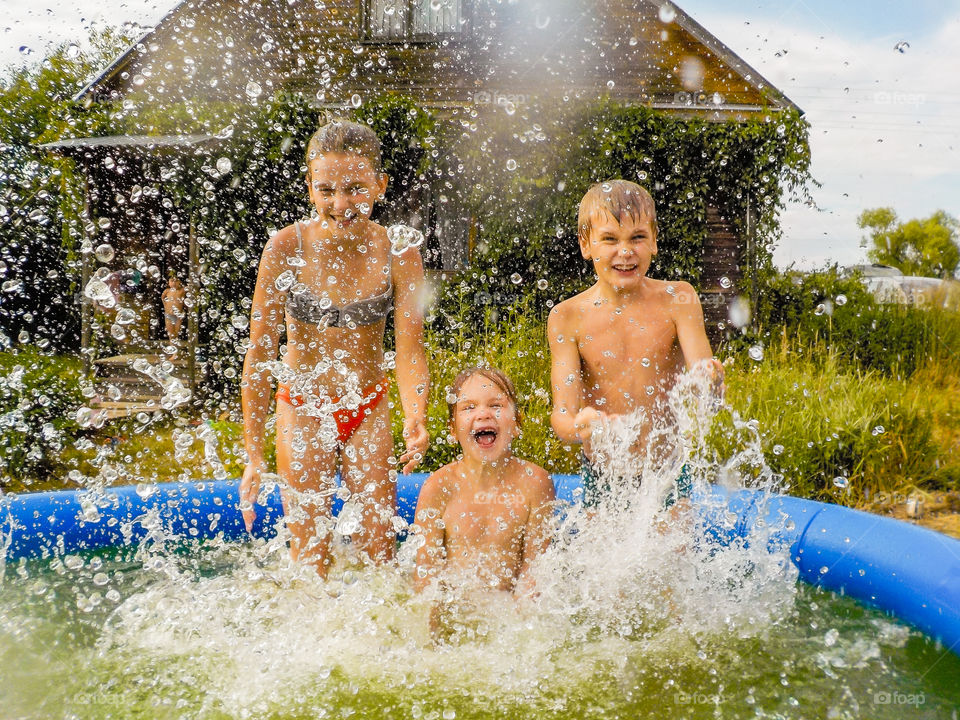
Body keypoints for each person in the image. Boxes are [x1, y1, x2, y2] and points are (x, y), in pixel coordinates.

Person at [240, 118, 430, 577]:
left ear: (380, 185)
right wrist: (253, 453)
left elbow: (410, 349)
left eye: (355, 189)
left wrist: (416, 414)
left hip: (368, 405)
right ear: (309, 187)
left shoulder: (398, 252)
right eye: (326, 190)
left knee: (380, 558)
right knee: (310, 561)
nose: (340, 204)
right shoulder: (286, 247)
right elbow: (260, 352)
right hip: (302, 407)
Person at [548, 180, 724, 509]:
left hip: (668, 471)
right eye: (610, 239)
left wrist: (710, 383)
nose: (625, 251)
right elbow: (562, 416)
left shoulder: (678, 299)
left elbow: (706, 392)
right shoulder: (567, 317)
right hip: (603, 473)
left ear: (654, 240)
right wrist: (580, 426)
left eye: (637, 237)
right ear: (586, 245)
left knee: (674, 541)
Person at [412, 367, 555, 597]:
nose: (483, 414)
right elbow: (426, 580)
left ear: (516, 424)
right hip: (456, 609)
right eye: (468, 407)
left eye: (496, 405)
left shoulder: (534, 483)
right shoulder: (439, 487)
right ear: (452, 429)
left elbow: (533, 575)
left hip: (507, 610)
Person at [161, 274, 186, 341]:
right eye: (172, 281)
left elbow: (190, 288)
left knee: (176, 332)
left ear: (180, 282)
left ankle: (176, 346)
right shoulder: (167, 291)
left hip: (178, 315)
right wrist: (165, 305)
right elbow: (162, 298)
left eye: (176, 281)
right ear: (168, 283)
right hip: (169, 314)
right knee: (170, 333)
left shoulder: (182, 290)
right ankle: (172, 345)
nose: (174, 283)